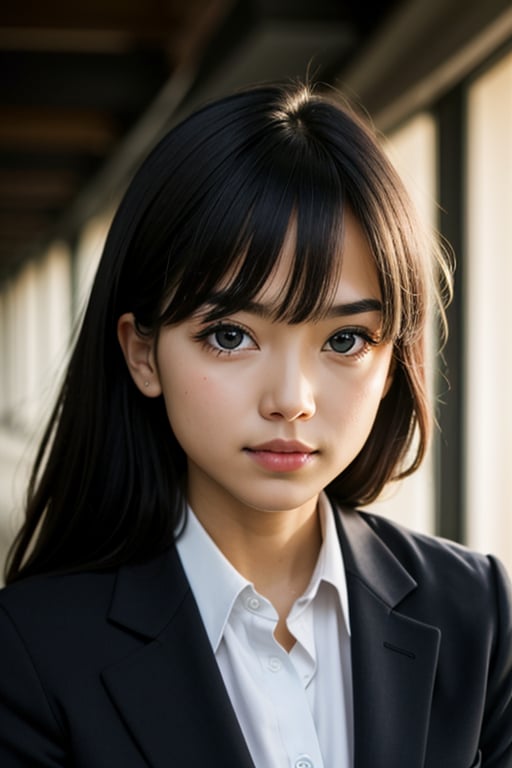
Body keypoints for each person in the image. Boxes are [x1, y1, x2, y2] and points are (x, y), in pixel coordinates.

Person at [0, 80, 510, 768]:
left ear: (394, 359)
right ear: (143, 353)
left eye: (346, 340)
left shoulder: (479, 616)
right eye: (232, 335)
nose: (292, 399)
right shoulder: (30, 654)